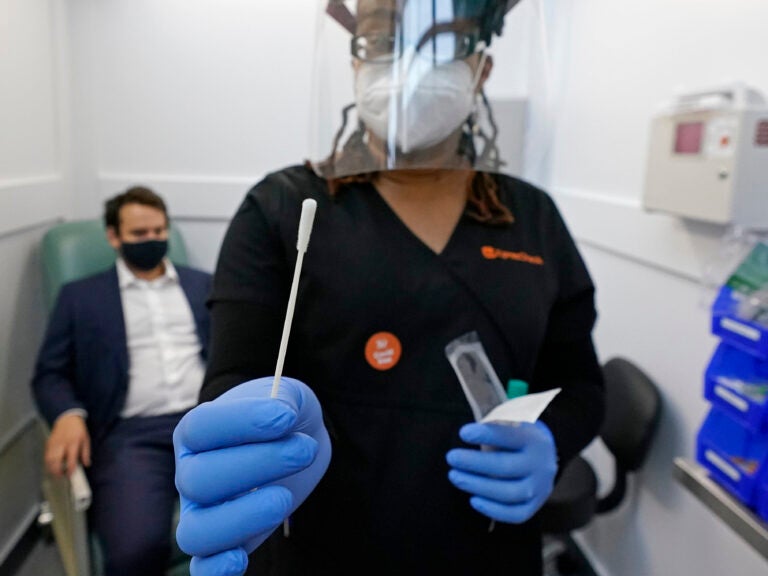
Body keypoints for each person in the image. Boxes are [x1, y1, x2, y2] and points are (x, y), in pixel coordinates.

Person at [173, 1, 605, 575]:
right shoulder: (282, 210)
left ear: (482, 69)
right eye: (380, 42)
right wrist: (241, 441)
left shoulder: (534, 217)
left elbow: (580, 382)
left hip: (487, 546)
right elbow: (233, 376)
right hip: (324, 547)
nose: (409, 66)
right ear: (353, 64)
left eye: (443, 43)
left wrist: (550, 439)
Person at [32, 187, 212, 576]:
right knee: (136, 550)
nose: (152, 241)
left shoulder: (203, 287)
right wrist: (67, 413)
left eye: (159, 231)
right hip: (132, 437)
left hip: (206, 424)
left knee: (264, 521)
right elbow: (50, 373)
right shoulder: (80, 298)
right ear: (113, 237)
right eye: (139, 234)